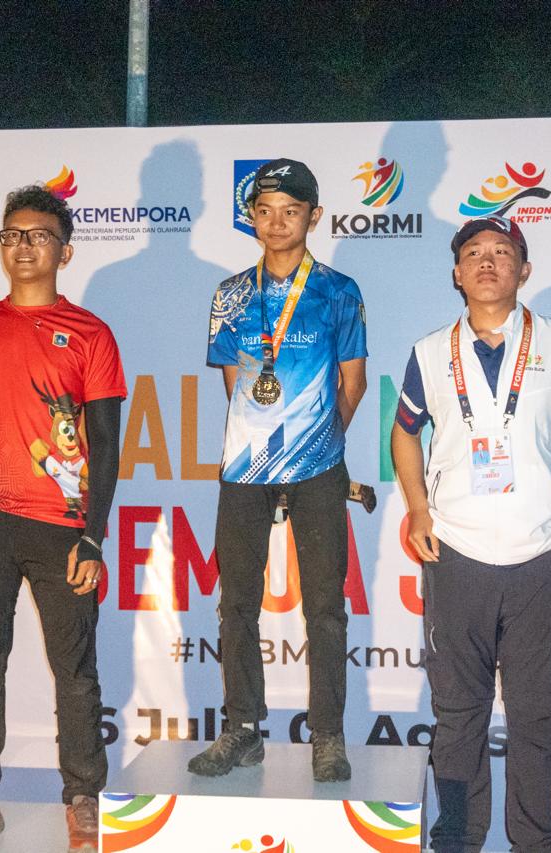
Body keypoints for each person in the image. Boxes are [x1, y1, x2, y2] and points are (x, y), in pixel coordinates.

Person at [390, 216, 551, 852]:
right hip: (456, 552)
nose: (488, 262)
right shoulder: (430, 352)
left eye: (502, 252)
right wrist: (418, 509)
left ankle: (537, 843)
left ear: (524, 271)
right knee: (457, 715)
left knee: (537, 717)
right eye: (474, 253)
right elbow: (404, 432)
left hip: (544, 553)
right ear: (457, 274)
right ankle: (458, 840)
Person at [0, 185, 127, 851]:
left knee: (75, 668)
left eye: (38, 236)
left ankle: (84, 800)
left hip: (61, 527)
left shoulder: (91, 334)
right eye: (12, 234)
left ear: (64, 251)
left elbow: (105, 445)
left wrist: (93, 535)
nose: (23, 246)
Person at [189, 158, 368, 782]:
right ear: (251, 218)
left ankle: (329, 735)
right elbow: (234, 384)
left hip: (319, 463)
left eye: (290, 211)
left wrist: (318, 442)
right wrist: (262, 440)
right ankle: (242, 729)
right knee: (236, 602)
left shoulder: (339, 290)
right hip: (245, 464)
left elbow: (353, 381)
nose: (276, 222)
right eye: (264, 212)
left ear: (313, 217)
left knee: (325, 606)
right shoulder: (230, 294)